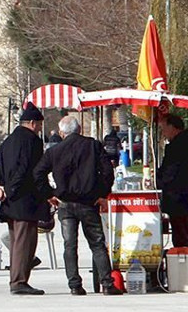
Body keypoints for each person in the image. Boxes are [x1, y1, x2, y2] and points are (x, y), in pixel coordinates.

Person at [33, 116, 122, 296]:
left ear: (61, 132)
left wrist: (50, 194)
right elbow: (107, 171)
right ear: (79, 129)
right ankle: (106, 283)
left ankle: (74, 284)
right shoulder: (93, 146)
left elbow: (38, 173)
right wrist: (101, 194)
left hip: (65, 203)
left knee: (69, 244)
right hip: (89, 202)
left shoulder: (54, 151)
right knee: (97, 244)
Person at [0, 103, 49, 296]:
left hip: (9, 201)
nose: (40, 129)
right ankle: (19, 281)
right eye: (40, 125)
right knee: (26, 243)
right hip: (25, 199)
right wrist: (10, 189)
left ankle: (17, 279)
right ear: (32, 123)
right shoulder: (32, 141)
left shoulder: (8, 141)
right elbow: (25, 169)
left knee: (17, 242)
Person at [156, 114, 188, 248]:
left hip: (182, 200)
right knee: (183, 235)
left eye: (163, 128)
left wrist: (157, 181)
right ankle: (183, 262)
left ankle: (184, 264)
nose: (163, 132)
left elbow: (170, 173)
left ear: (172, 127)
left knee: (182, 238)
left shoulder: (179, 146)